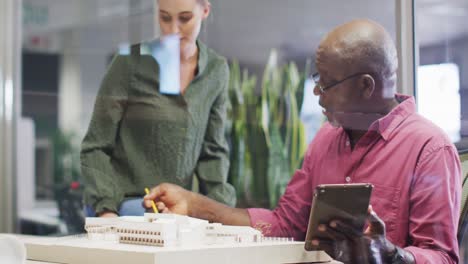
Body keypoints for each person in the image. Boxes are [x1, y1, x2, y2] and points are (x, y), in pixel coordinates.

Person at [143, 19, 462, 264]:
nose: (315, 94)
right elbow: (285, 225)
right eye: (316, 80)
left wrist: (390, 254)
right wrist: (195, 205)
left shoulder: (428, 148)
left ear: (366, 86)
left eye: (327, 84)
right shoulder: (326, 139)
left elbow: (442, 257)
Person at [81, 0, 236, 218]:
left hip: (174, 211)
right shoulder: (129, 63)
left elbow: (213, 154)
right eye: (165, 17)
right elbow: (95, 147)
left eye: (184, 18)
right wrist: (107, 211)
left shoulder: (216, 70)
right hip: (123, 206)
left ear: (205, 11)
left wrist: (221, 212)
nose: (173, 30)